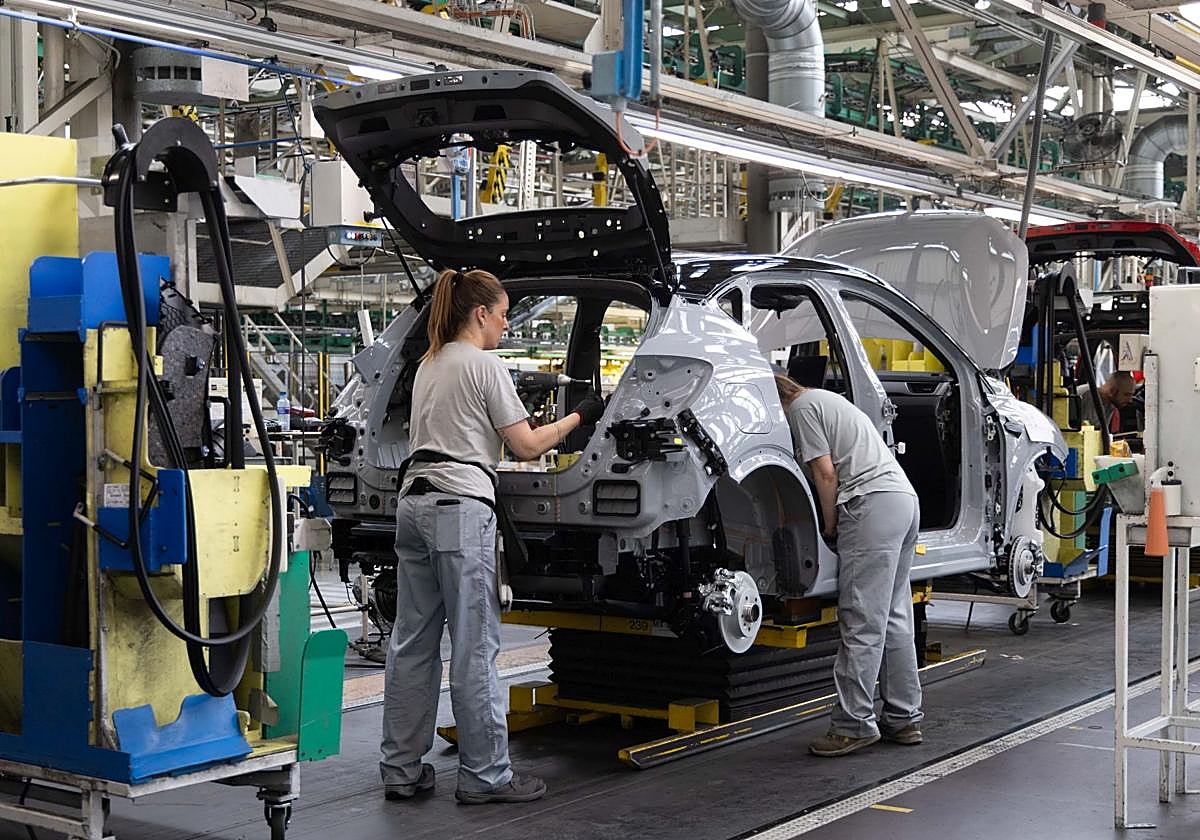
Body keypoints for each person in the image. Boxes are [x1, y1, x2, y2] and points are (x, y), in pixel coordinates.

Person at [381, 268, 605, 804]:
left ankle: (401, 771)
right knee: (474, 646)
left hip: (413, 501)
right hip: (459, 508)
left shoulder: (429, 362)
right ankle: (485, 776)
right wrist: (580, 416)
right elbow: (527, 446)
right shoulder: (484, 365)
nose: (506, 324)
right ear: (480, 314)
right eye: (503, 315)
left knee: (412, 643)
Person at [773, 372, 924, 757]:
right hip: (902, 500)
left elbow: (825, 472)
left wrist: (829, 526)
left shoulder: (802, 409)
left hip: (869, 504)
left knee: (861, 620)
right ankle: (903, 718)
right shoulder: (827, 400)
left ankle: (852, 725)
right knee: (893, 616)